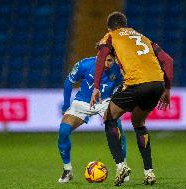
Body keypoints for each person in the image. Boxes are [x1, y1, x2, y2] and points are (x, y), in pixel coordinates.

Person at [90, 12, 173, 186]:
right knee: (139, 123)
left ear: (110, 27)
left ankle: (121, 166)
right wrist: (167, 88)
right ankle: (149, 172)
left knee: (109, 117)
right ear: (125, 25)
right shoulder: (142, 37)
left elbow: (101, 57)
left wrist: (96, 87)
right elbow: (168, 60)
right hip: (157, 83)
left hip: (136, 82)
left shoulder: (111, 35)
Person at [57, 55, 128, 183]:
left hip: (105, 102)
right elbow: (69, 81)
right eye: (104, 60)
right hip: (82, 102)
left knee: (117, 130)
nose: (107, 64)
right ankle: (67, 170)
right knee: (63, 131)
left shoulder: (119, 69)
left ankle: (122, 166)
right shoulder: (85, 64)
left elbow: (127, 85)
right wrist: (66, 104)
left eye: (110, 60)